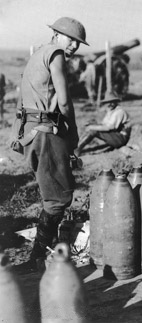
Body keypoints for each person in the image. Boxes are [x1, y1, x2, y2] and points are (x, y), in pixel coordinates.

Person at [12, 17, 88, 270]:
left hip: (31, 131)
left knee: (54, 194)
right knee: (58, 197)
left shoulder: (38, 54)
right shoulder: (56, 55)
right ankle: (36, 259)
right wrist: (73, 134)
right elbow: (64, 102)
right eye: (71, 39)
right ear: (56, 35)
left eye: (78, 43)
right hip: (44, 132)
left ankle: (47, 249)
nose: (74, 46)